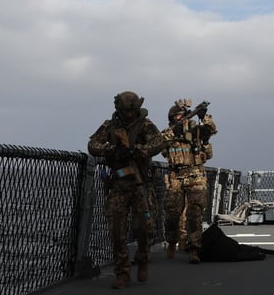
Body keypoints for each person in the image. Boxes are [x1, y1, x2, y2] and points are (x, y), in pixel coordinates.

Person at [87, 91, 171, 289]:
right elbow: (92, 144)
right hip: (119, 185)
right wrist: (111, 150)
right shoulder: (110, 125)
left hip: (141, 183)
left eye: (131, 111)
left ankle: (142, 257)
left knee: (144, 227)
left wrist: (138, 150)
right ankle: (122, 272)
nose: (128, 115)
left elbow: (159, 142)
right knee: (116, 230)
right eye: (125, 111)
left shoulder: (145, 124)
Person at [162, 99, 217, 264]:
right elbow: (160, 147)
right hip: (176, 175)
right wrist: (174, 133)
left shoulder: (196, 131)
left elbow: (211, 129)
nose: (180, 119)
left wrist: (204, 116)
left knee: (195, 214)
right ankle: (172, 241)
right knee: (172, 213)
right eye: (176, 116)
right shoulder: (169, 133)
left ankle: (194, 249)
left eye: (182, 116)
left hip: (195, 174)